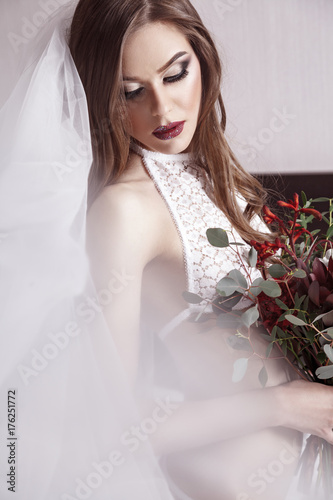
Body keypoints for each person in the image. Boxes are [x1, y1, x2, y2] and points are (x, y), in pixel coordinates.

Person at [0, 1, 332, 499]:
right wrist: (283, 405)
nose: (162, 110)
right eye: (131, 92)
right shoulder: (122, 211)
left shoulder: (211, 172)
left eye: (176, 74)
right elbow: (105, 426)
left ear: (202, 59)